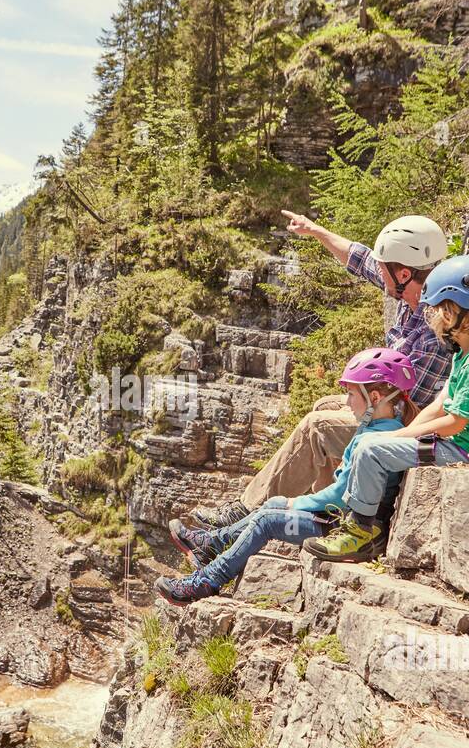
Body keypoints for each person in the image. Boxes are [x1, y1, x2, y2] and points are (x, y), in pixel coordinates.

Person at [189, 211, 453, 530]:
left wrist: (357, 398)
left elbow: (403, 404)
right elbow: (361, 258)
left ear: (405, 273)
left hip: (411, 420)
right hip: (393, 403)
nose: (379, 273)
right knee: (323, 407)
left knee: (318, 426)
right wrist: (317, 231)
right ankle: (328, 507)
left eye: (385, 269)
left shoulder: (433, 330)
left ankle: (245, 511)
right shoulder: (411, 293)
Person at [155, 348, 418, 605]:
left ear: (374, 398)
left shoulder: (374, 439)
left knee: (269, 520)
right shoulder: (380, 428)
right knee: (271, 505)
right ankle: (214, 543)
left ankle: (208, 580)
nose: (346, 402)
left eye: (351, 394)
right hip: (340, 519)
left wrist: (297, 503)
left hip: (343, 528)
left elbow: (340, 494)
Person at [303, 255, 469, 562]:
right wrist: (403, 434)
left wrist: (398, 436)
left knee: (371, 450)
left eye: (435, 309)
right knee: (372, 442)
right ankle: (375, 525)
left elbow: (454, 423)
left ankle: (359, 534)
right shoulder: (467, 354)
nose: (430, 316)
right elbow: (438, 405)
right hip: (461, 446)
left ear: (452, 312)